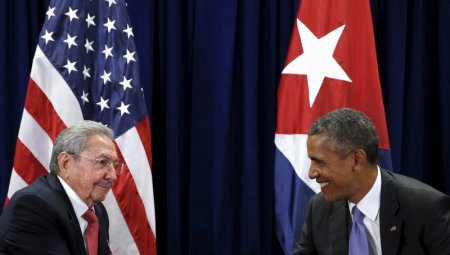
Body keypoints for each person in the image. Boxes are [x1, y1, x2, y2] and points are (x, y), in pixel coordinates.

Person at [292, 108, 450, 255]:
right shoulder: (319, 208)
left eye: (320, 162)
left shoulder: (426, 208)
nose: (311, 173)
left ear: (356, 160)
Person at [0, 120, 122, 254]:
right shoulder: (33, 206)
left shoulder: (97, 211)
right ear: (66, 163)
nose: (112, 176)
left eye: (114, 165)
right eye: (102, 162)